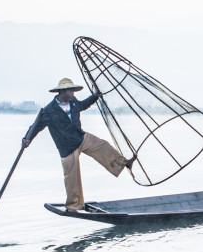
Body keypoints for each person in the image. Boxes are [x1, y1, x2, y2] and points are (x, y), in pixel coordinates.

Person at [22, 77, 136, 212]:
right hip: (66, 147)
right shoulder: (49, 110)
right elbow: (36, 127)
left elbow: (82, 105)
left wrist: (95, 97)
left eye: (73, 90)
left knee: (102, 145)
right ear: (61, 92)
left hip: (80, 137)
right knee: (72, 176)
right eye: (70, 91)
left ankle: (123, 163)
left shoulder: (73, 102)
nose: (72, 93)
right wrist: (27, 139)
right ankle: (73, 206)